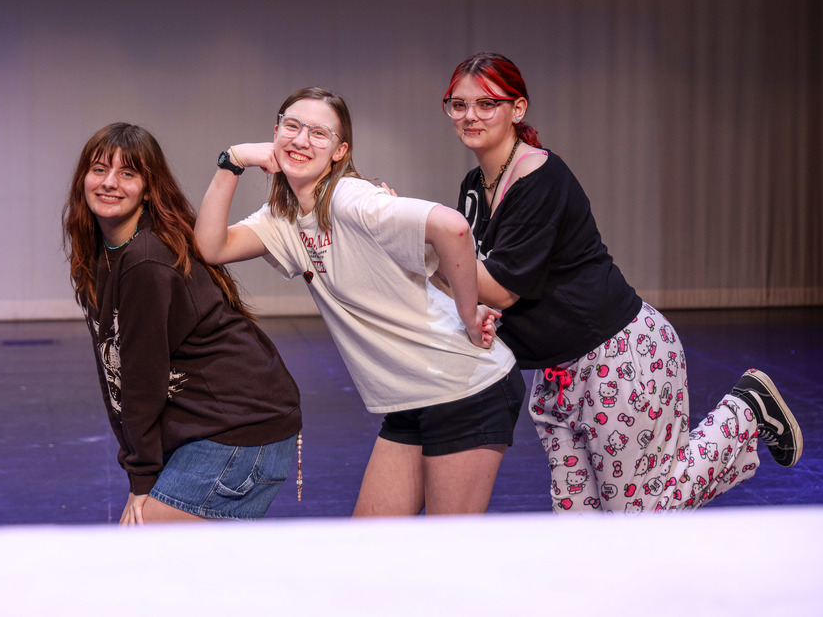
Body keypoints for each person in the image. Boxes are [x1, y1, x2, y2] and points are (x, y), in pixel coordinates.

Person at [442, 52, 804, 512]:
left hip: (617, 356)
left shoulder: (539, 176)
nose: (470, 115)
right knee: (584, 532)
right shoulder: (474, 187)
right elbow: (471, 282)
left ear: (517, 109)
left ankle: (745, 412)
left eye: (486, 103)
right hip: (556, 373)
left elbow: (499, 286)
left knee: (641, 518)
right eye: (458, 104)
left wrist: (424, 240)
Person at [195, 87, 526, 516]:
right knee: (369, 548)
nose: (300, 140)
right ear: (275, 132)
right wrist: (234, 159)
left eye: (319, 133)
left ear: (340, 151)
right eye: (292, 127)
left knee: (448, 553)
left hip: (465, 389)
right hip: (410, 398)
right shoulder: (283, 217)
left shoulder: (352, 200)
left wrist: (468, 315)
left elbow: (453, 228)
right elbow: (210, 247)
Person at [62, 122, 302, 523]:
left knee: (144, 549)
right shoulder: (103, 253)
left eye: (127, 173)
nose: (109, 183)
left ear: (148, 186)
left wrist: (141, 476)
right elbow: (115, 368)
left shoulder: (146, 259)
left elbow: (140, 378)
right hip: (217, 425)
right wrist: (140, 468)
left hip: (241, 430)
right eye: (99, 169)